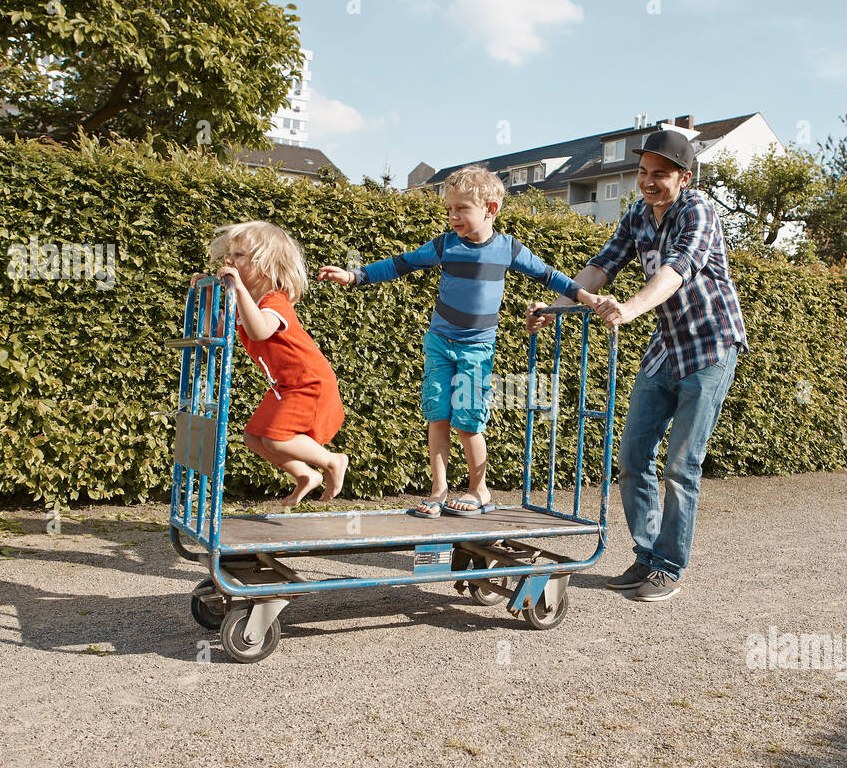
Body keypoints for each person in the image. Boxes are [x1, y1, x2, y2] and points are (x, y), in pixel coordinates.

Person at [528, 130, 747, 602]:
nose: (648, 183)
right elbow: (601, 266)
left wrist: (627, 309)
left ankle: (668, 568)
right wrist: (557, 306)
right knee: (631, 458)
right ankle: (646, 557)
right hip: (666, 347)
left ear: (684, 177)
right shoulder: (636, 215)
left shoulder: (698, 211)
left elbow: (677, 270)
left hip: (710, 348)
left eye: (660, 175)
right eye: (643, 173)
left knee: (681, 466)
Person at [319, 165, 594, 518]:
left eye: (462, 208)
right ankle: (438, 491)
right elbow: (400, 264)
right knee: (438, 415)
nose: (453, 216)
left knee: (468, 423)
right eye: (450, 209)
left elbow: (550, 276)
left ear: (490, 209)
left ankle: (479, 491)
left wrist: (588, 297)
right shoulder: (445, 245)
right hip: (439, 342)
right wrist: (354, 275)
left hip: (477, 349)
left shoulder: (508, 249)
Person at [194, 220, 348, 508]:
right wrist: (207, 297)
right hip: (285, 385)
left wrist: (238, 288)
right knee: (253, 437)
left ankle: (332, 460)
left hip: (310, 382)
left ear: (266, 266)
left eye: (239, 255)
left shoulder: (274, 302)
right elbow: (212, 334)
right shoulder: (245, 304)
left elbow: (260, 331)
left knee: (277, 440)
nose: (229, 260)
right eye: (229, 253)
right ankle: (306, 475)